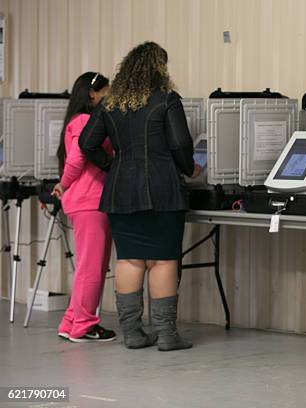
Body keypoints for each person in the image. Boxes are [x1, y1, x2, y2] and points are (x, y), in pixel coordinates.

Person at [79, 42, 202, 351]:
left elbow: (86, 143)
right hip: (162, 189)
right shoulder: (166, 100)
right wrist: (190, 169)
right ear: (159, 68)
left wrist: (113, 165)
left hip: (120, 191)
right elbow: (179, 143)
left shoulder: (111, 103)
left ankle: (133, 334)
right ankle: (166, 335)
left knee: (130, 259)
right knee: (163, 260)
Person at [53, 72, 117, 342]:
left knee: (87, 266)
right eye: (106, 92)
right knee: (92, 267)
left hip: (86, 200)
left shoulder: (77, 120)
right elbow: (78, 158)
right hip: (91, 199)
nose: (110, 97)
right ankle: (85, 325)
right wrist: (63, 184)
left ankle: (71, 321)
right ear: (93, 95)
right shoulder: (84, 121)